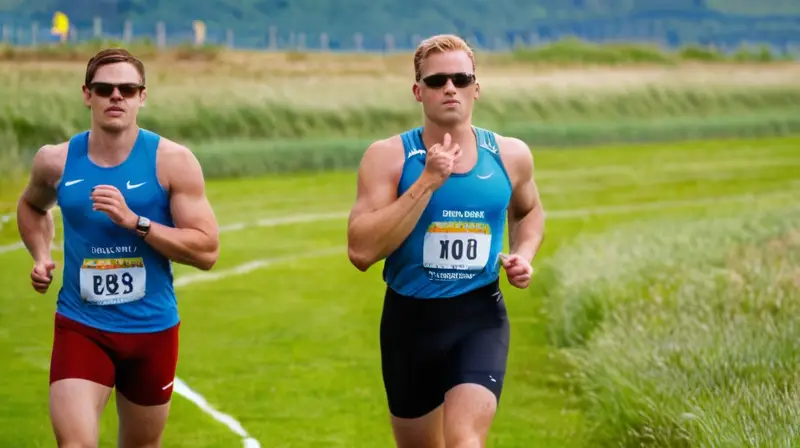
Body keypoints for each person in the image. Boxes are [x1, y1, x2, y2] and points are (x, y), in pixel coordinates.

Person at [346, 34, 545, 448]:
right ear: (419, 92)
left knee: (464, 442)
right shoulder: (389, 157)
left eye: (460, 78)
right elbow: (361, 251)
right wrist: (427, 183)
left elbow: (527, 212)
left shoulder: (509, 155)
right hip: (409, 323)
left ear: (476, 87)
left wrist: (523, 254)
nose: (449, 88)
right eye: (437, 81)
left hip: (478, 317)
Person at [16, 48, 220, 447]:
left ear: (142, 96)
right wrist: (41, 255)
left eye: (127, 89)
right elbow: (31, 206)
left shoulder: (172, 161)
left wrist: (136, 222)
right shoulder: (56, 161)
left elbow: (206, 250)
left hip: (152, 330)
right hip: (82, 326)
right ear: (86, 94)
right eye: (104, 88)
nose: (116, 97)